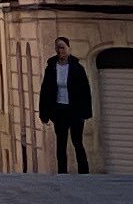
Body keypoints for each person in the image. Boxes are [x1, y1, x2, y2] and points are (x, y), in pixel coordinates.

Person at [39, 36, 95, 173]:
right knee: (61, 143)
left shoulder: (77, 68)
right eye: (58, 48)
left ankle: (84, 171)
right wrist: (44, 114)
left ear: (68, 49)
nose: (60, 51)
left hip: (75, 110)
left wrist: (86, 112)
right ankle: (62, 172)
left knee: (77, 141)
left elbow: (85, 90)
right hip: (59, 110)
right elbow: (45, 91)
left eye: (63, 47)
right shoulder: (51, 68)